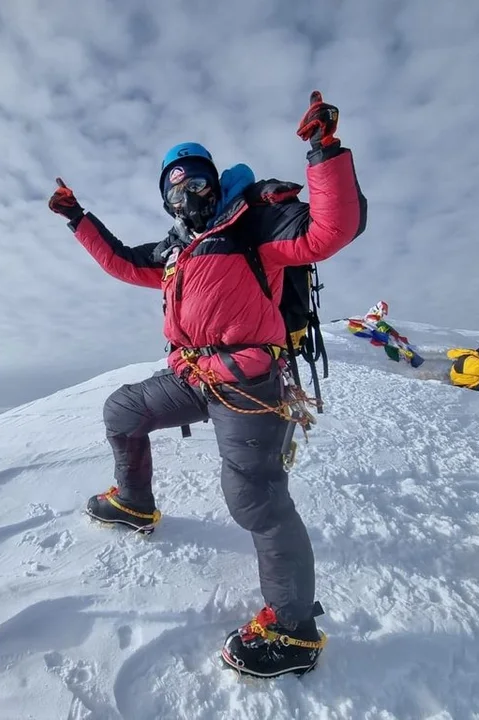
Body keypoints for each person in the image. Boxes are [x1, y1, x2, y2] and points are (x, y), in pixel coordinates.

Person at [48, 91, 367, 678]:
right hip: (193, 376)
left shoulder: (254, 224)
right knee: (123, 412)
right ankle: (135, 502)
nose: (185, 195)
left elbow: (331, 230)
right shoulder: (177, 250)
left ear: (214, 183)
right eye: (174, 188)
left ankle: (295, 630)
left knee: (255, 497)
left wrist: (324, 152)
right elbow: (121, 261)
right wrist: (78, 218)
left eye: (195, 182)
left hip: (248, 382)